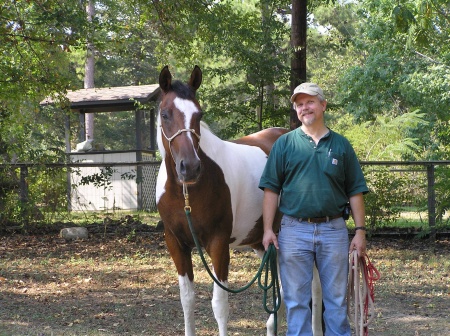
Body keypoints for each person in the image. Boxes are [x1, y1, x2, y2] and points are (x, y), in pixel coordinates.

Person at [259, 82, 369, 336]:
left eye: (309, 102)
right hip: (294, 230)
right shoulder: (285, 144)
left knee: (337, 302)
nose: (304, 108)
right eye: (299, 104)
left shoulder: (341, 145)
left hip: (334, 230)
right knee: (296, 303)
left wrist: (360, 231)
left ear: (323, 105)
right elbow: (271, 191)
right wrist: (267, 230)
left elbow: (355, 190)